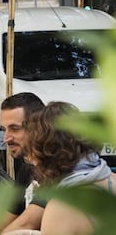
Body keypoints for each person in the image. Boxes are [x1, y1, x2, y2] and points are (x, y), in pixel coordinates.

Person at [22, 101, 116, 235]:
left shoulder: (60, 209)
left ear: (47, 155)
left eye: (33, 153)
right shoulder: (113, 180)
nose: (30, 160)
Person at [0, 92, 45, 233]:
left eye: (14, 129)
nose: (6, 138)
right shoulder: (27, 168)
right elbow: (8, 219)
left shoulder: (55, 169)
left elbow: (26, 224)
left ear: (38, 127)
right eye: (4, 129)